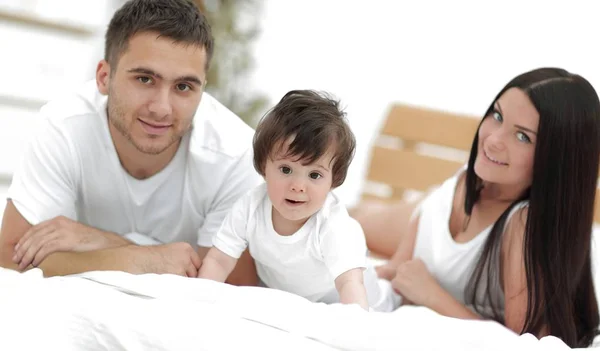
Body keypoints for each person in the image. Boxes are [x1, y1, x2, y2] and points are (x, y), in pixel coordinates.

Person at [0, 0, 262, 284]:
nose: (162, 108)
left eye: (183, 87)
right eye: (145, 79)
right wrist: (142, 258)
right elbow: (9, 259)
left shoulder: (235, 154)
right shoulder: (64, 127)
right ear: (104, 77)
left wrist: (99, 241)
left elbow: (230, 290)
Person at [352, 68, 600, 347]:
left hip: (453, 218)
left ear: (557, 159)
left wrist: (432, 295)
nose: (493, 139)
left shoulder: (522, 224)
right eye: (497, 115)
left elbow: (517, 342)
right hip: (444, 202)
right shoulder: (465, 180)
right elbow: (398, 268)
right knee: (350, 217)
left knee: (353, 218)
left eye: (522, 137)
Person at [198, 90, 392, 311]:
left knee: (386, 295)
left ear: (333, 181)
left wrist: (353, 324)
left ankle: (392, 286)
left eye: (314, 175)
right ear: (263, 167)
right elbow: (219, 260)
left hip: (353, 296)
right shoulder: (250, 206)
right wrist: (199, 299)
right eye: (286, 169)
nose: (298, 185)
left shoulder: (334, 226)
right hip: (289, 293)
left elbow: (349, 283)